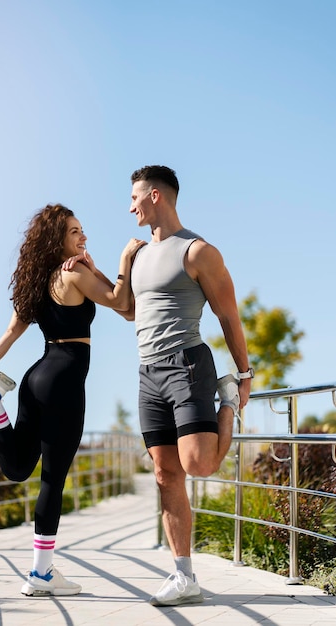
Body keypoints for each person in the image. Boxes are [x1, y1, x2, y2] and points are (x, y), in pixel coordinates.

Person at [0, 203, 145, 597]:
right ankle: (42, 574)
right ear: (57, 239)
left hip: (36, 377)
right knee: (53, 478)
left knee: (17, 468)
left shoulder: (43, 279)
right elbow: (122, 302)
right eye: (74, 232)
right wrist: (125, 258)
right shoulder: (75, 273)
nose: (83, 237)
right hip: (64, 380)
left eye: (82, 230)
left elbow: (14, 330)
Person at [127, 165, 253, 606]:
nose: (131, 206)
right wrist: (122, 261)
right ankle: (184, 576)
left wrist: (245, 373)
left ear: (157, 196)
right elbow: (128, 310)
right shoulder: (140, 254)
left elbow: (228, 314)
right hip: (147, 372)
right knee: (165, 475)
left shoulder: (198, 251)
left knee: (198, 464)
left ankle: (229, 404)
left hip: (188, 365)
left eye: (136, 197)